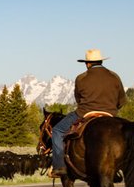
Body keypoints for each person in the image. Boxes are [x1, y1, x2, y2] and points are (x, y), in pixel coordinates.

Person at [49, 49, 127, 178]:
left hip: (85, 112)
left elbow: (78, 100)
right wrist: (111, 109)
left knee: (57, 131)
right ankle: (118, 168)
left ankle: (59, 166)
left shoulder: (81, 78)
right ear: (101, 61)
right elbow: (122, 101)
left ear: (87, 63)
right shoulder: (115, 76)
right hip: (110, 114)